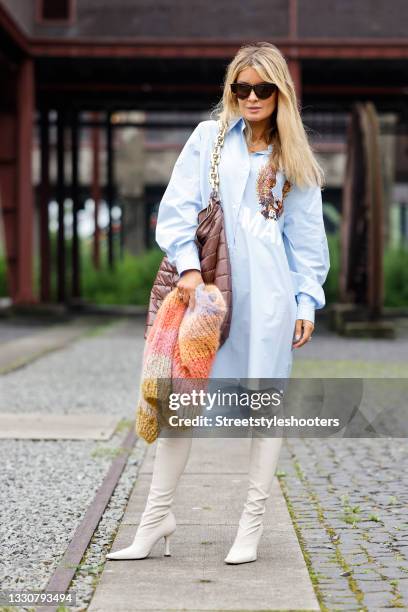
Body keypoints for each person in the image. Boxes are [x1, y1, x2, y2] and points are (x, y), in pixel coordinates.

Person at [106, 41, 330, 565]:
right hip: (209, 298)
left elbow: (307, 242)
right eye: (241, 87)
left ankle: (251, 525)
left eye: (263, 88)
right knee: (181, 401)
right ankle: (155, 518)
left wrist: (306, 302)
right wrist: (186, 267)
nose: (251, 97)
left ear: (280, 94)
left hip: (271, 300)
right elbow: (177, 210)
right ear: (231, 89)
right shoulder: (208, 139)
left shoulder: (295, 158)